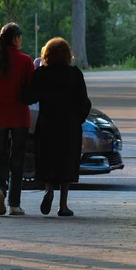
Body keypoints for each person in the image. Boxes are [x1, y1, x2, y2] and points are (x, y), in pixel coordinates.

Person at [25, 37, 91, 217]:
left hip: (47, 124)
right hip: (69, 126)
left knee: (49, 159)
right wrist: (79, 119)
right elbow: (84, 102)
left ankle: (48, 190)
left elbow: (29, 97)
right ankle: (63, 205)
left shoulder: (42, 74)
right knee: (66, 163)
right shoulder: (74, 74)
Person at [0, 22, 34, 216]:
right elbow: (31, 90)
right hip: (19, 116)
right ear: (16, 39)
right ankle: (14, 204)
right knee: (17, 159)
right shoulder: (26, 61)